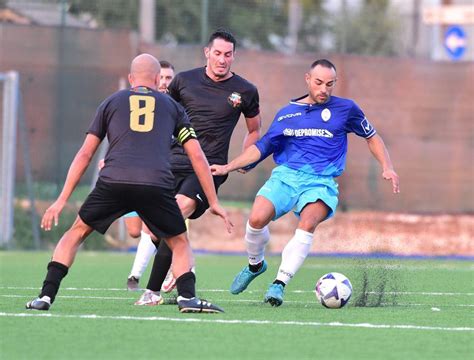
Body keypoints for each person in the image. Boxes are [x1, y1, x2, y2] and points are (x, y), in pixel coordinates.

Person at [26, 53, 232, 313]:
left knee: (75, 232)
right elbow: (198, 157)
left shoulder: (111, 102)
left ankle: (45, 296)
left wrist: (61, 200)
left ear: (131, 79)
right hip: (155, 184)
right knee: (179, 242)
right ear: (159, 80)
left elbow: (85, 154)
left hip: (114, 180)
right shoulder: (172, 107)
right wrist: (213, 201)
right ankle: (187, 298)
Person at [211, 59, 400, 307]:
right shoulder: (287, 113)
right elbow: (263, 146)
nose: (324, 89)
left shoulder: (346, 109)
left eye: (330, 84)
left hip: (321, 182)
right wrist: (229, 166)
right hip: (286, 176)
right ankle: (255, 264)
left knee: (308, 222)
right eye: (319, 82)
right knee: (256, 220)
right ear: (308, 79)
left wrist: (387, 166)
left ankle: (279, 284)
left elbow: (372, 137)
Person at [134, 28, 262, 305]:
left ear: (234, 57)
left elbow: (254, 130)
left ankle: (153, 291)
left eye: (228, 55)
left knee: (175, 212)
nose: (222, 60)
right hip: (171, 163)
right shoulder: (183, 81)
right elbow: (163, 118)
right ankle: (177, 268)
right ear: (207, 52)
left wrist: (241, 161)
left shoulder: (246, 91)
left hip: (209, 169)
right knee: (157, 227)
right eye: (217, 53)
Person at [124, 60, 177, 292]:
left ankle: (137, 276)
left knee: (156, 227)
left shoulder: (174, 107)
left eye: (169, 79)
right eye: (162, 78)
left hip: (164, 176)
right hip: (132, 172)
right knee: (135, 230)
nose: (165, 83)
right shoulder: (137, 104)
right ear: (155, 79)